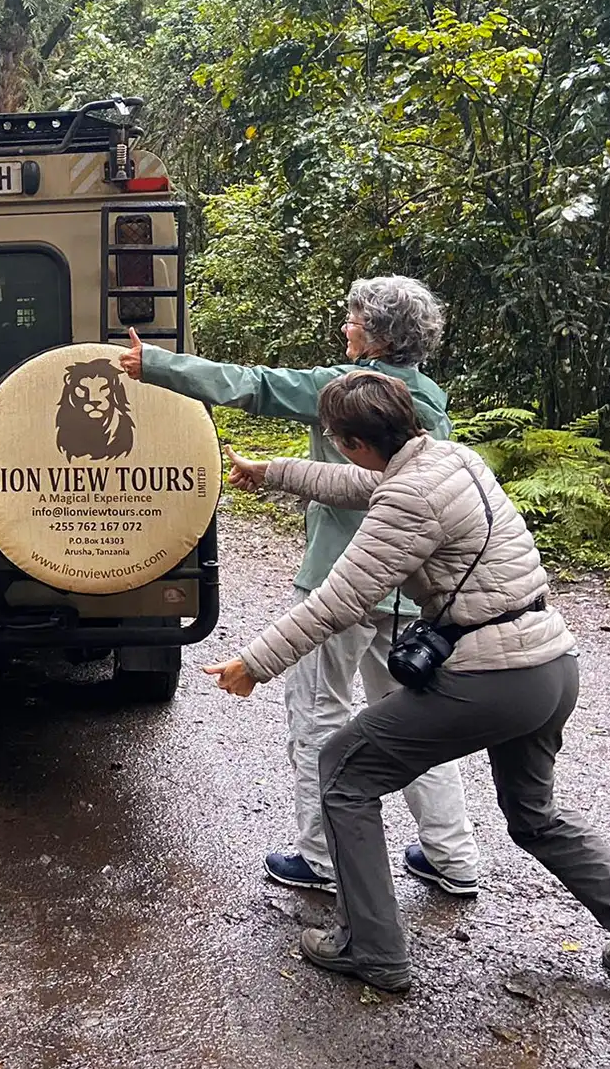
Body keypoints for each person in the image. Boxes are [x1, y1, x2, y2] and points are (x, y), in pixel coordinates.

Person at [204, 371, 610, 998]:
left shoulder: (409, 499)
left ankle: (372, 949)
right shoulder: (449, 458)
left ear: (352, 439)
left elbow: (340, 600)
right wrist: (273, 471)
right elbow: (359, 484)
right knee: (535, 817)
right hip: (550, 665)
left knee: (344, 771)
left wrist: (253, 663)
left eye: (335, 441)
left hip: (492, 679)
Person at [119, 275, 480, 897]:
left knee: (319, 716)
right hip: (407, 590)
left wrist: (155, 364)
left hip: (339, 581)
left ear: (377, 337)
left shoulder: (337, 391)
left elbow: (252, 385)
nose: (346, 327)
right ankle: (452, 857)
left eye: (354, 320)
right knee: (413, 722)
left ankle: (321, 858)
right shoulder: (430, 401)